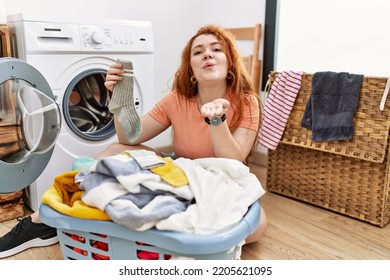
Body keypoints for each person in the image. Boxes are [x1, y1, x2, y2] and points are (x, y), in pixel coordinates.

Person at [0, 24, 267, 258]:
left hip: (221, 181)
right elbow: (130, 137)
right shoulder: (177, 99)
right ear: (192, 71)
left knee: (258, 226)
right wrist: (120, 97)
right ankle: (42, 221)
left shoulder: (247, 102)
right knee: (114, 150)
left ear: (230, 64)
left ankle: (138, 229)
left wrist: (216, 119)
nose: (207, 54)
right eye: (198, 52)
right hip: (182, 172)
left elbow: (232, 161)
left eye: (216, 49)